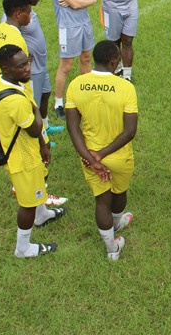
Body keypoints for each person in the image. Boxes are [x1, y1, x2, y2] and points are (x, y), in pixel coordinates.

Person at [0, 45, 66, 257]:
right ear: (7, 69)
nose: (27, 69)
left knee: (39, 185)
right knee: (27, 204)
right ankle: (23, 248)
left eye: (27, 62)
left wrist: (43, 144)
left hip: (26, 150)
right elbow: (34, 129)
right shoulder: (15, 102)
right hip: (23, 158)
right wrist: (35, 109)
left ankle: (41, 215)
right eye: (21, 66)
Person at [65, 41, 137, 260]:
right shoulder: (125, 87)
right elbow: (130, 132)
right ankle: (116, 223)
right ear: (114, 61)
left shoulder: (76, 84)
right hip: (119, 156)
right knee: (120, 192)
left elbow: (73, 128)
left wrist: (92, 158)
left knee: (102, 201)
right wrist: (103, 154)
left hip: (89, 155)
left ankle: (111, 249)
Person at [50, 0, 97, 119]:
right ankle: (58, 102)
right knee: (66, 65)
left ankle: (86, 93)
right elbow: (77, 3)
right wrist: (86, 0)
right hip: (68, 25)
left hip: (84, 21)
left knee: (86, 57)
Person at [10, 0, 65, 139]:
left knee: (46, 94)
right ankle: (38, 138)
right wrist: (23, 57)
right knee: (33, 104)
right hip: (31, 70)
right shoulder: (15, 16)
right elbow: (11, 41)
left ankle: (45, 126)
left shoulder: (28, 11)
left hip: (41, 66)